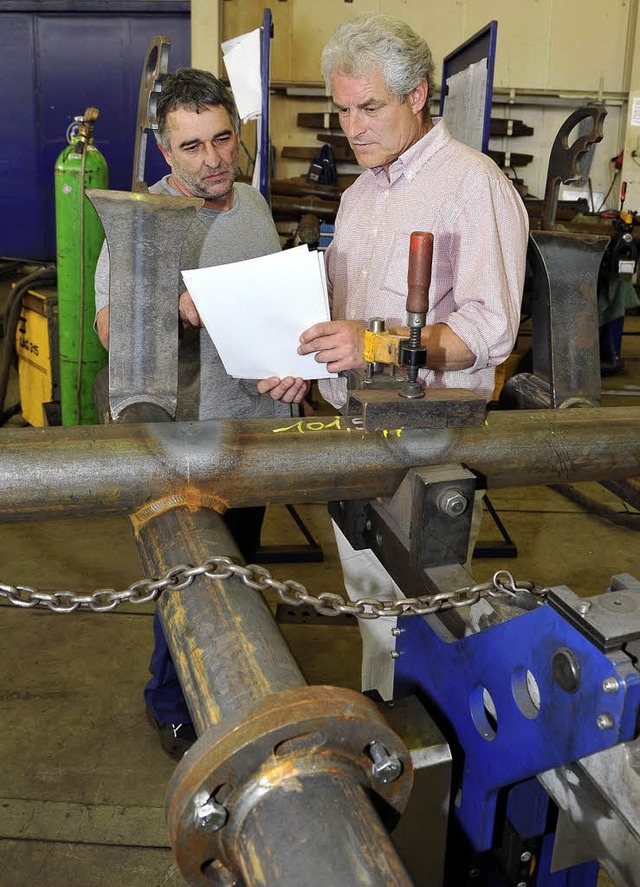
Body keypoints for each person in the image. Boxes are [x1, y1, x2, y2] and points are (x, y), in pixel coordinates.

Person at [258, 13, 529, 700]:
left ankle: (429, 757)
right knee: (374, 614)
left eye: (370, 107)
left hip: (428, 447)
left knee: (427, 627)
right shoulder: (357, 198)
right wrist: (314, 358)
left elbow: (489, 330)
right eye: (343, 110)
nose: (353, 127)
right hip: (357, 439)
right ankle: (392, 744)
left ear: (418, 96)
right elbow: (340, 318)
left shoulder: (474, 186)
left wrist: (373, 343)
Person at [95, 68, 294, 759]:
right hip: (183, 437)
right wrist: (169, 305)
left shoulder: (252, 205)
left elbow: (273, 307)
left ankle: (236, 683)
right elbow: (105, 327)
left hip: (251, 425)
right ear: (163, 149)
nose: (212, 160)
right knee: (188, 578)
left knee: (238, 566)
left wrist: (294, 364)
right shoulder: (142, 218)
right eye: (191, 147)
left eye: (221, 139)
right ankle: (171, 701)